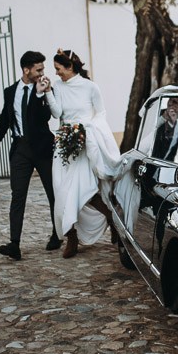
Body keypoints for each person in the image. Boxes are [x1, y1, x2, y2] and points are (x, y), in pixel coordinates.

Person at [44, 49, 121, 258]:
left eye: (59, 69)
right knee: (61, 191)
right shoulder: (58, 86)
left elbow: (101, 113)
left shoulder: (90, 87)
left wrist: (87, 130)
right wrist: (49, 92)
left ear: (70, 67)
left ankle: (109, 222)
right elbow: (58, 113)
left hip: (85, 144)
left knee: (85, 190)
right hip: (64, 144)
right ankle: (71, 234)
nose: (57, 74)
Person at [0, 50, 61, 261]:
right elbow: (4, 119)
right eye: (38, 69)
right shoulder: (10, 91)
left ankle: (57, 234)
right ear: (26, 70)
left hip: (43, 149)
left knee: (52, 193)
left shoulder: (46, 88)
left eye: (43, 69)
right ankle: (14, 244)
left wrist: (40, 94)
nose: (42, 73)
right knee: (17, 195)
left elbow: (45, 117)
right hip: (20, 149)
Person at [152, 96, 178, 161]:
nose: (170, 103)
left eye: (174, 102)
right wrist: (163, 118)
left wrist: (174, 120)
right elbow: (149, 131)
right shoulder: (158, 114)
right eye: (169, 100)